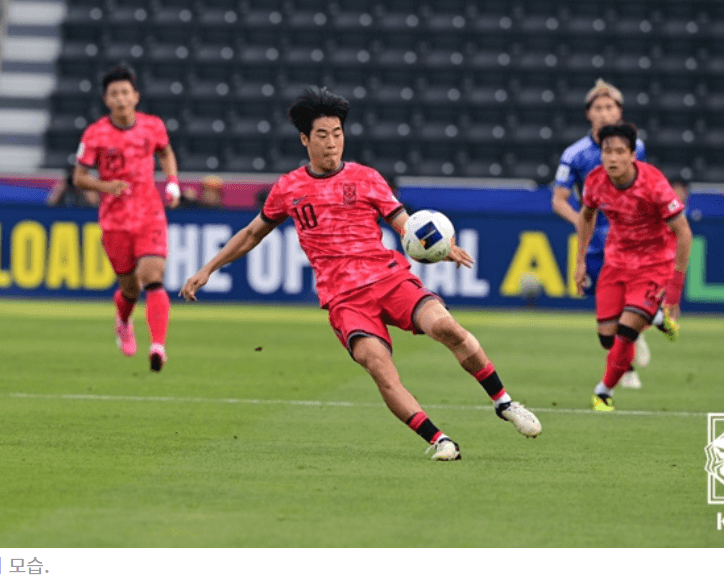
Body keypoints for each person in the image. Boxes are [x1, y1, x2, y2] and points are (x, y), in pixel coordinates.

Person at [181, 87, 541, 461]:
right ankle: (439, 440)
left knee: (448, 327)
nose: (332, 142)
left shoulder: (367, 178)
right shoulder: (289, 188)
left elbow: (405, 225)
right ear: (305, 139)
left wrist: (439, 246)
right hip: (345, 300)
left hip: (390, 280)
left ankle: (504, 402)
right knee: (378, 366)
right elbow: (252, 233)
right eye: (322, 135)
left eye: (337, 133)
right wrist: (209, 268)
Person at [551, 79, 677, 390]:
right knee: (607, 320)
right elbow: (558, 200)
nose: (605, 113)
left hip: (632, 241)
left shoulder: (636, 148)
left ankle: (629, 366)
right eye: (599, 107)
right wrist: (582, 223)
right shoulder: (574, 154)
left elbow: (644, 188)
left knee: (629, 310)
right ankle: (645, 329)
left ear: (619, 112)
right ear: (588, 114)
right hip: (596, 244)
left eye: (611, 107)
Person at [573, 122, 692, 411]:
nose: (612, 158)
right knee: (607, 338)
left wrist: (674, 291)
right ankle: (656, 319)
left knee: (626, 334)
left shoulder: (654, 184)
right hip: (616, 263)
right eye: (607, 151)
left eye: (619, 152)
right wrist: (579, 262)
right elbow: (586, 216)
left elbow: (684, 233)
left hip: (654, 265)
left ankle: (603, 392)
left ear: (632, 155)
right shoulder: (595, 181)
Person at [72, 66, 181, 371]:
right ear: (106, 100)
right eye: (114, 94)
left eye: (125, 92)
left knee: (153, 277)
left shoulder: (152, 126)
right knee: (130, 288)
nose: (120, 99)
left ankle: (158, 346)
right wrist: (105, 186)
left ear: (136, 96)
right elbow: (79, 177)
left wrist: (172, 182)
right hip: (115, 221)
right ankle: (122, 320)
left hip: (150, 214)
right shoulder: (95, 134)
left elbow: (166, 152)